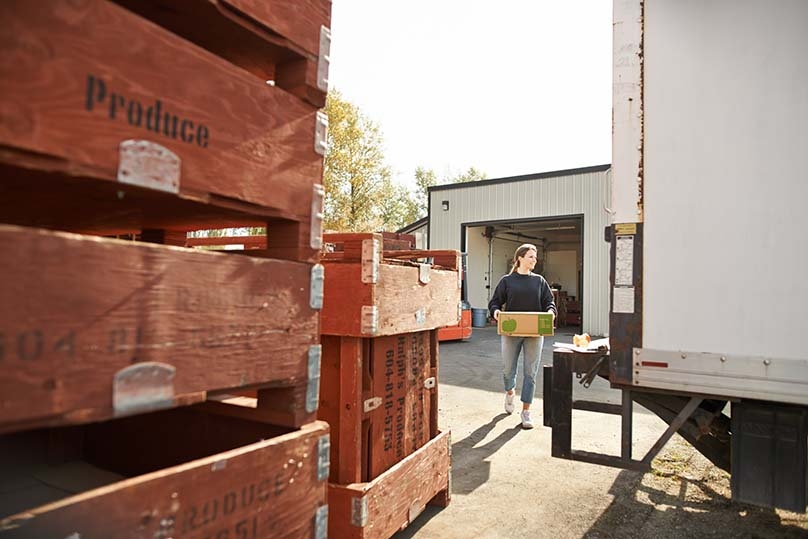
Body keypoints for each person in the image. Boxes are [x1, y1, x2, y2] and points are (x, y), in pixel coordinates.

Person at [488, 243, 557, 429]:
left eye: (535, 257)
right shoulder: (507, 281)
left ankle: (526, 411)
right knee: (508, 369)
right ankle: (510, 392)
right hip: (511, 331)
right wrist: (496, 313)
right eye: (531, 257)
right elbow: (494, 302)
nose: (534, 260)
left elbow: (549, 303)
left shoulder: (539, 281)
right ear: (520, 258)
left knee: (531, 373)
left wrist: (551, 313)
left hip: (534, 333)